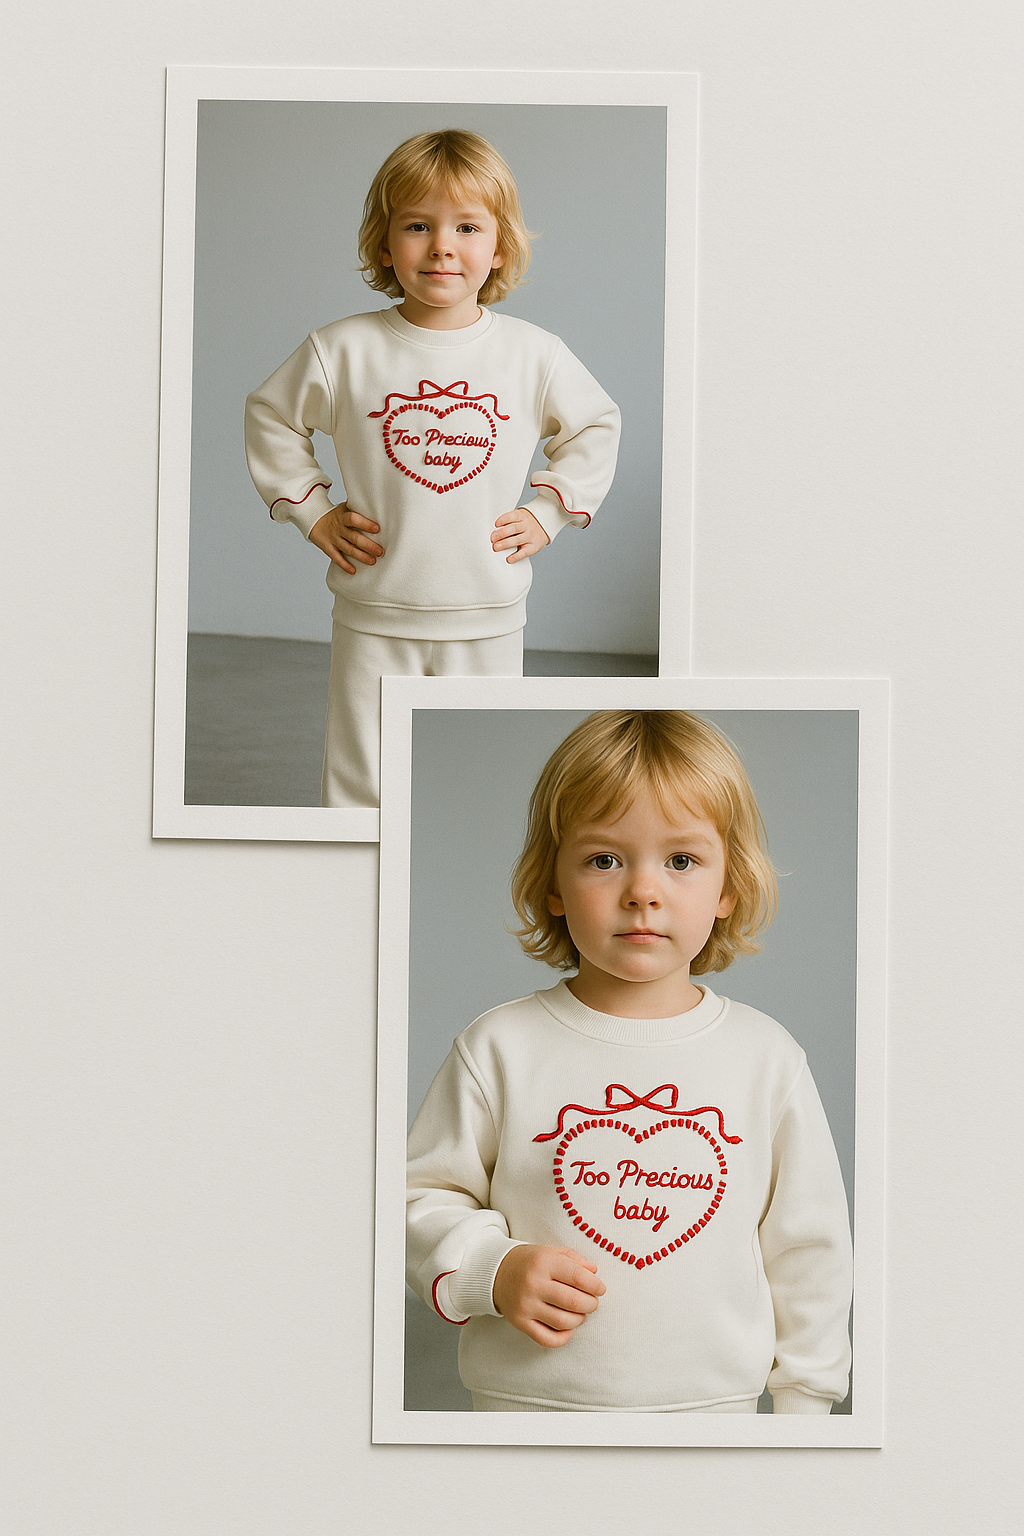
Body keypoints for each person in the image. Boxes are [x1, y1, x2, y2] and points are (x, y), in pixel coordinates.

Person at [406, 711, 853, 1413]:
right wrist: (493, 1268)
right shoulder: (499, 1049)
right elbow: (417, 1199)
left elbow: (810, 1251)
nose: (643, 890)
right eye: (604, 859)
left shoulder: (766, 1060)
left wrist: (804, 1412)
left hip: (714, 1422)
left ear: (727, 888)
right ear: (553, 884)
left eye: (681, 861)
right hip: (524, 1422)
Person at [244, 130, 620, 807]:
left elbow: (595, 426)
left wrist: (549, 514)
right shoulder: (343, 350)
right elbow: (271, 416)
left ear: (499, 247)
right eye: (419, 225)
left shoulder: (534, 355)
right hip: (374, 607)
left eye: (467, 227)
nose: (443, 246)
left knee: (482, 772)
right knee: (362, 779)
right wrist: (313, 513)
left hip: (487, 611)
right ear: (385, 245)